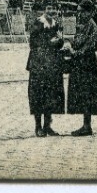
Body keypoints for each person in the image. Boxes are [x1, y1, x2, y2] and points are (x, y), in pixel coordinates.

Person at [65, 0, 97, 136]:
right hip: (80, 62)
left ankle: (87, 126)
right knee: (81, 92)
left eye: (82, 11)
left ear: (89, 12)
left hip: (87, 62)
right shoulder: (81, 24)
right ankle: (85, 125)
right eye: (78, 11)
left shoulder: (92, 26)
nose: (79, 14)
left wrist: (73, 51)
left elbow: (88, 46)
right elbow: (75, 40)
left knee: (87, 93)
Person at [26, 7, 66, 137]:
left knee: (51, 94)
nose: (51, 11)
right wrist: (49, 42)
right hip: (39, 64)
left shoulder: (56, 24)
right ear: (44, 10)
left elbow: (60, 44)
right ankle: (38, 126)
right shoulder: (38, 23)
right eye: (49, 8)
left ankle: (47, 125)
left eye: (54, 9)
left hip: (52, 64)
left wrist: (60, 41)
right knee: (38, 93)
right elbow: (33, 43)